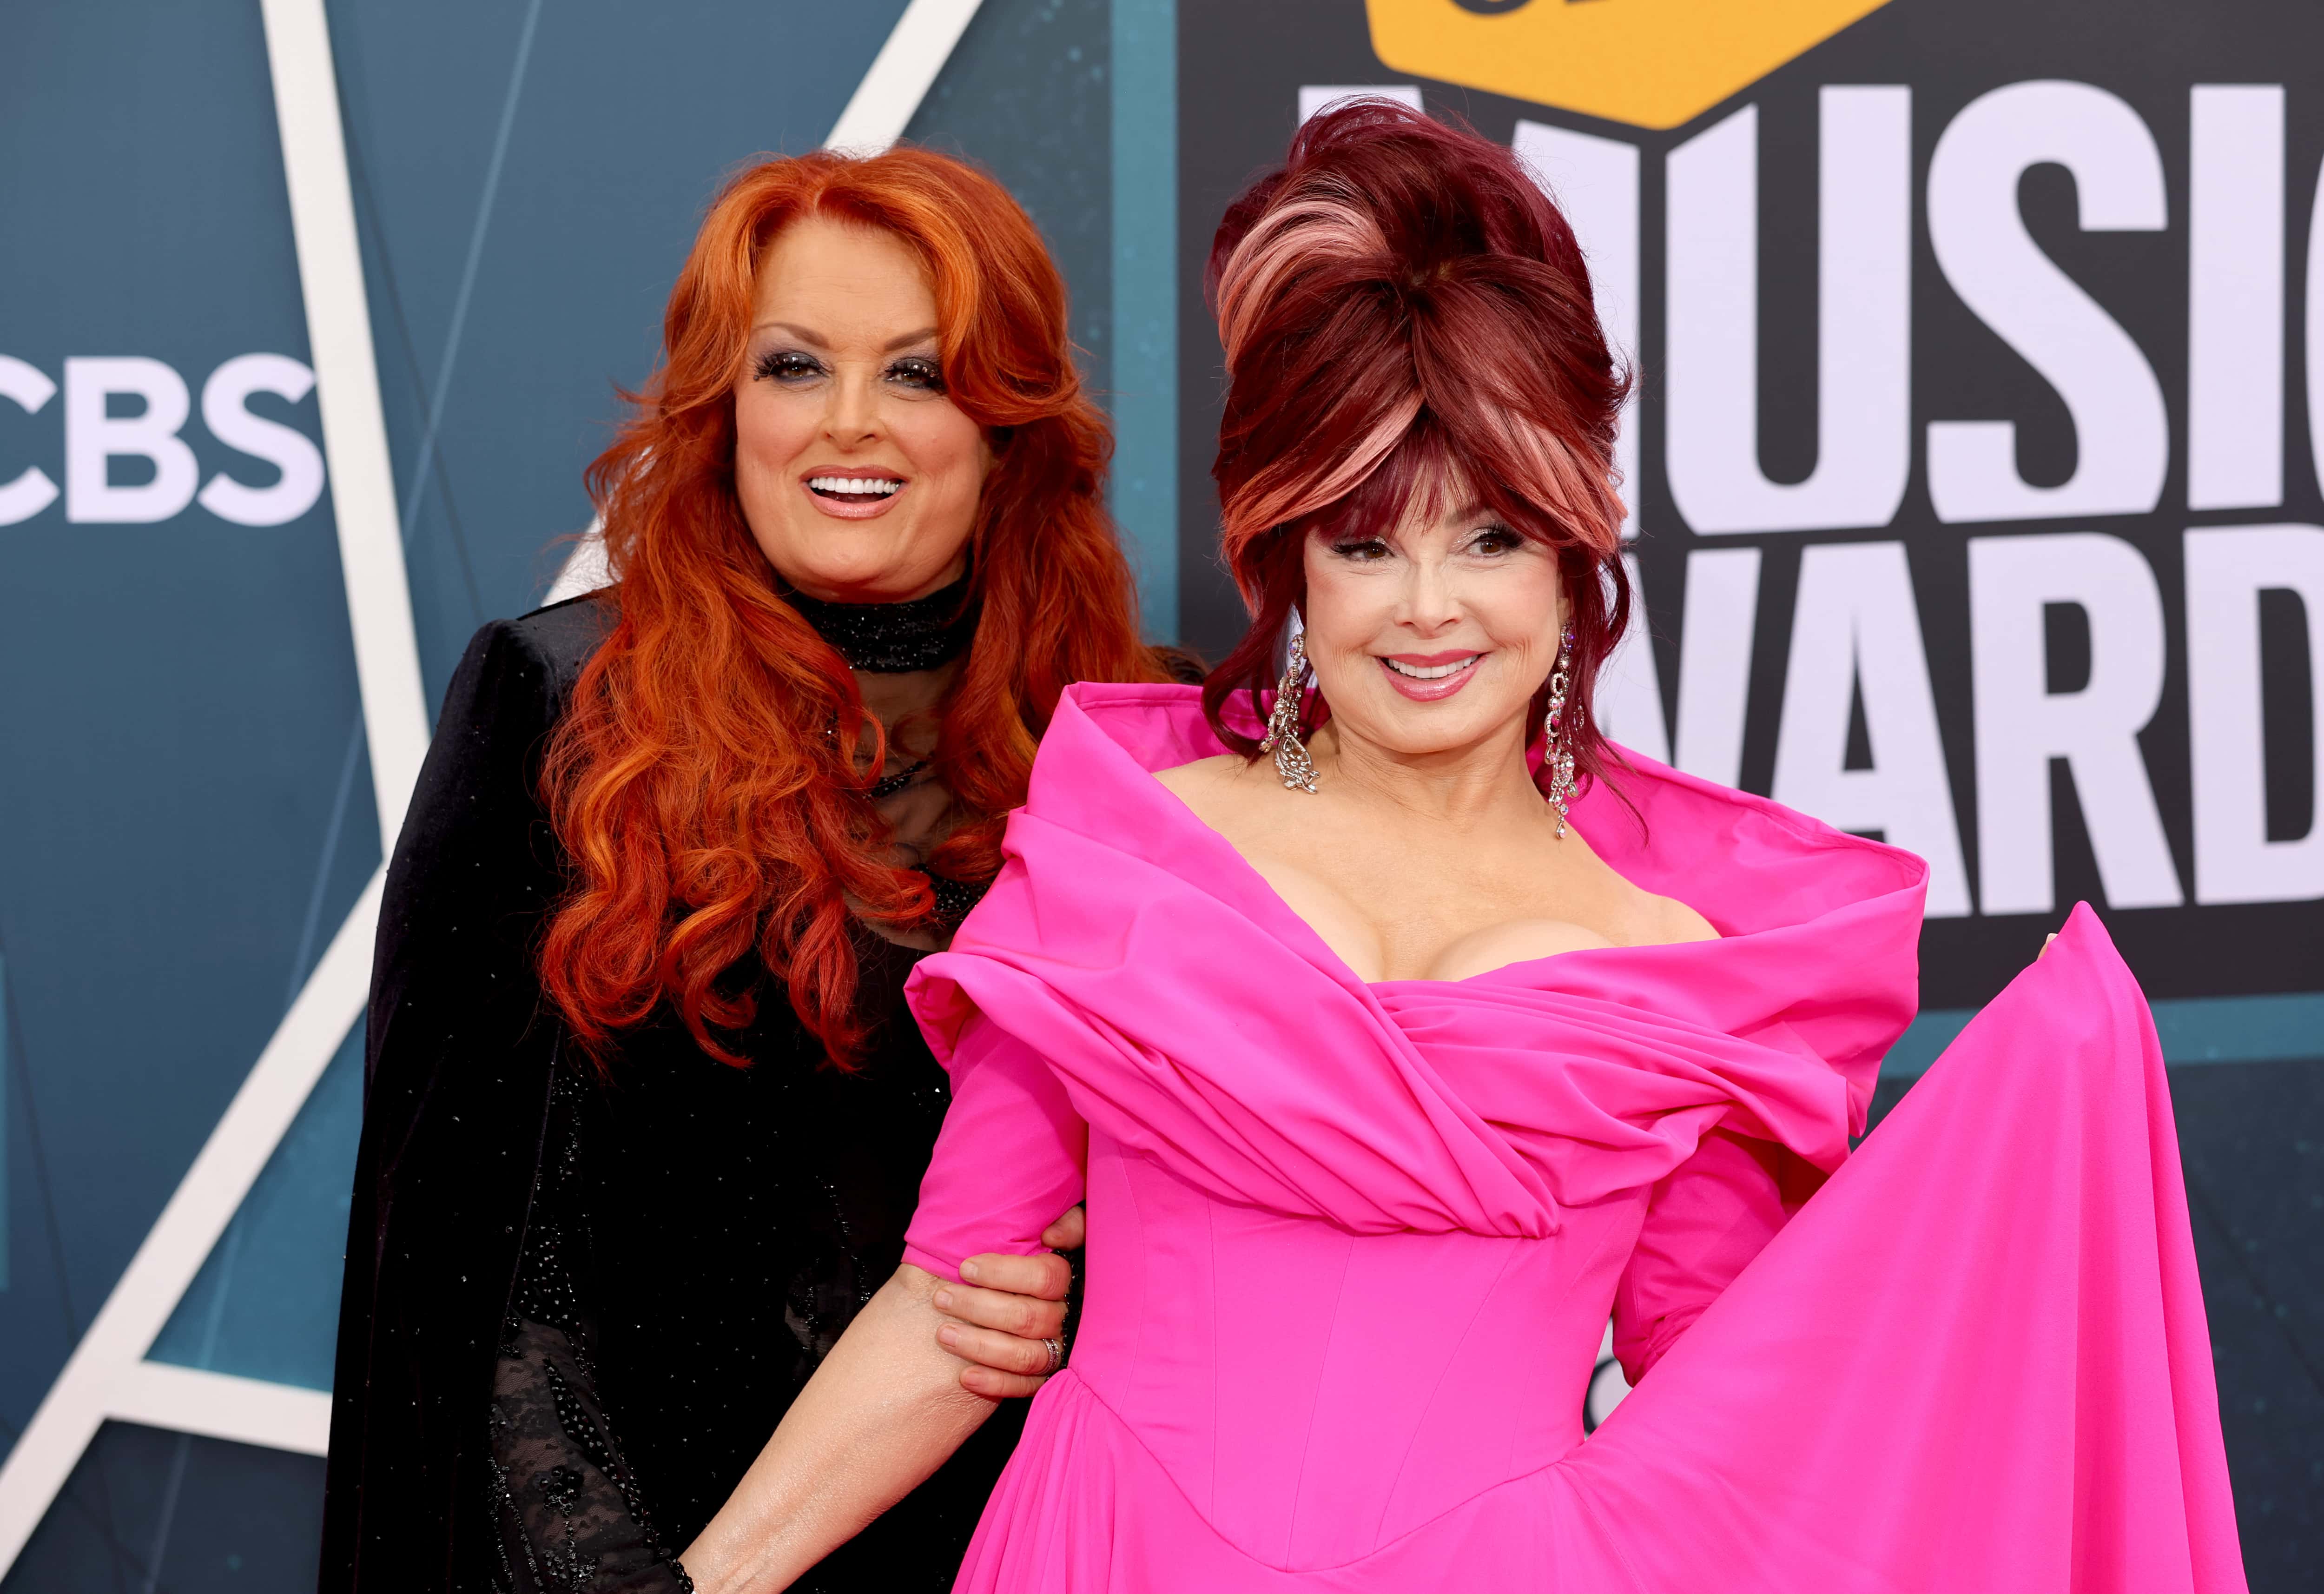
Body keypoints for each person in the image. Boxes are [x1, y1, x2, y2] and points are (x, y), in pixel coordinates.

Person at [673, 103, 2246, 1594]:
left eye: (1489, 537)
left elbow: (1741, 1408)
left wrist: (2030, 1187)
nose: (1429, 608)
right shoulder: (1126, 858)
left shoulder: (1685, 972)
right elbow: (958, 1301)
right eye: (1366, 544)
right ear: (1289, 565)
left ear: (1571, 558)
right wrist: (702, 1580)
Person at [320, 146, 1185, 1592]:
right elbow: (468, 1287)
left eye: (918, 373)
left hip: (1047, 1542)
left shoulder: (1137, 751)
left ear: (1008, 425)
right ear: (722, 411)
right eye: (795, 366)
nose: (851, 424)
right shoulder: (559, 704)